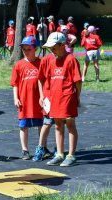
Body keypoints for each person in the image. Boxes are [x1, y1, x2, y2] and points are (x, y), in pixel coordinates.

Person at [41, 32, 82, 167]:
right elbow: (47, 80)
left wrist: (77, 97)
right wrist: (45, 96)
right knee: (58, 125)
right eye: (50, 48)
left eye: (53, 47)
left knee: (70, 124)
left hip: (68, 97)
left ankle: (71, 155)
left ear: (62, 44)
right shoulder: (51, 59)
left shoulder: (71, 60)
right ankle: (59, 154)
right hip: (55, 97)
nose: (51, 50)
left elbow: (78, 81)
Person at [10, 36, 43, 160]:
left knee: (42, 124)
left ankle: (42, 146)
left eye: (29, 49)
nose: (26, 51)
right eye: (24, 49)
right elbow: (15, 83)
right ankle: (25, 150)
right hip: (24, 100)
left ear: (35, 49)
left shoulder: (41, 63)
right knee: (23, 125)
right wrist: (15, 98)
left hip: (39, 101)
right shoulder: (19, 65)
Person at [33, 53, 56, 162]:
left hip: (61, 96)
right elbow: (40, 78)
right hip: (48, 96)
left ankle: (58, 150)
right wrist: (42, 95)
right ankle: (40, 148)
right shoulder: (46, 59)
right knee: (47, 123)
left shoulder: (68, 58)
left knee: (59, 125)